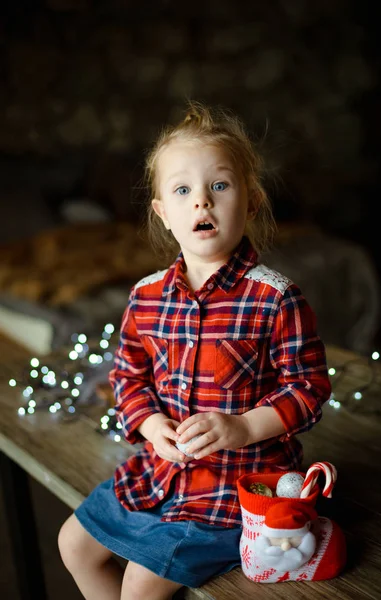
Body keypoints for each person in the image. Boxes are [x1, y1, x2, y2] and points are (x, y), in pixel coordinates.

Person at [58, 102, 332, 600]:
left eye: (219, 187)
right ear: (163, 214)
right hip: (160, 471)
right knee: (72, 545)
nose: (201, 203)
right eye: (183, 191)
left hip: (234, 486)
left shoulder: (274, 298)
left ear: (251, 201)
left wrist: (246, 426)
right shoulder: (146, 296)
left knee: (141, 583)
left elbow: (309, 388)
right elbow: (128, 376)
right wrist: (150, 424)